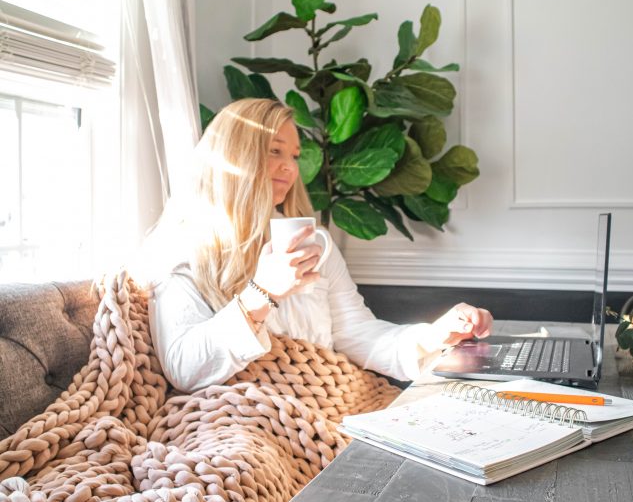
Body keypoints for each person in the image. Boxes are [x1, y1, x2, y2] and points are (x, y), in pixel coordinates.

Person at [145, 98, 493, 393]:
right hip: (242, 422)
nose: (290, 168)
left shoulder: (315, 243)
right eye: (274, 151)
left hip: (323, 408)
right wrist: (261, 293)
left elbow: (357, 334)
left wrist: (435, 336)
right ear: (235, 157)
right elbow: (183, 368)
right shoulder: (183, 249)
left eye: (294, 155)